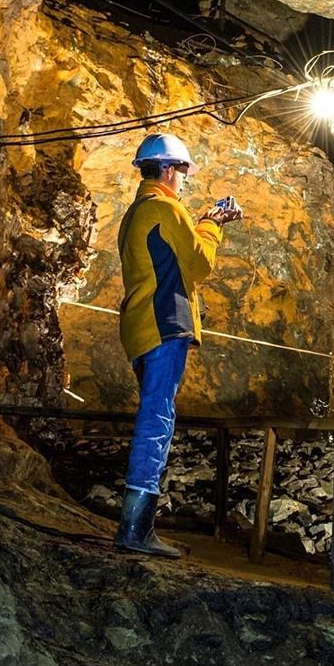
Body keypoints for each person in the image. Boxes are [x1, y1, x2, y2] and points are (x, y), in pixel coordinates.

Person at [115, 132, 243, 557]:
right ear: (169, 170)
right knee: (157, 420)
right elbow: (198, 264)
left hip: (140, 325)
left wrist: (201, 220)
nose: (184, 180)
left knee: (155, 416)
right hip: (163, 324)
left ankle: (137, 525)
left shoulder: (135, 212)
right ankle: (136, 529)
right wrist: (212, 223)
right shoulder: (165, 209)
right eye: (183, 171)